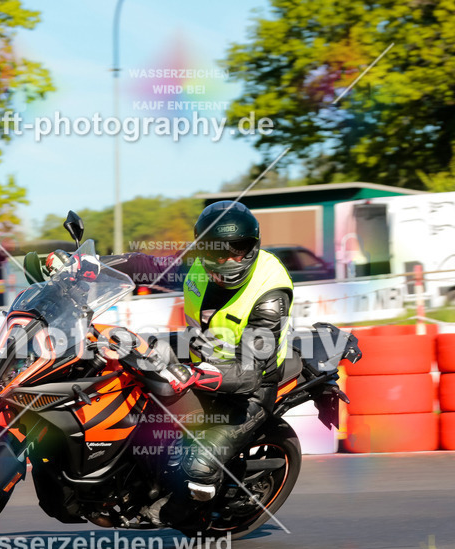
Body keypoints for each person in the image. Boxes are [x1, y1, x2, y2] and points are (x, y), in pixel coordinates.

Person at [26, 201, 295, 528]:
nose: (229, 260)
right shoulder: (195, 264)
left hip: (247, 390)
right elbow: (145, 265)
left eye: (239, 249)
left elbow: (250, 371)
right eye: (218, 252)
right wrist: (86, 264)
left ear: (253, 245)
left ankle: (184, 513)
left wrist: (194, 374)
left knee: (197, 466)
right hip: (201, 353)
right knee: (120, 354)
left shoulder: (270, 296)